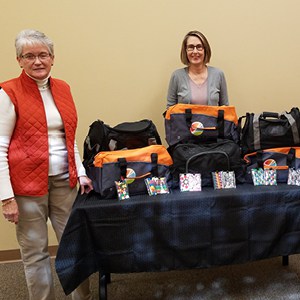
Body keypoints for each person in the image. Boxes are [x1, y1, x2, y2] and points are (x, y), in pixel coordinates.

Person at [0, 29, 94, 300]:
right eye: (29, 56)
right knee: (35, 252)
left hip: (66, 181)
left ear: (53, 58)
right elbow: (1, 146)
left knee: (73, 246)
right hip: (27, 187)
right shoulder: (9, 92)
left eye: (43, 55)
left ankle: (82, 298)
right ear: (19, 60)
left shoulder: (63, 88)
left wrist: (82, 172)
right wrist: (6, 196)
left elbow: (70, 137)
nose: (37, 61)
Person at [166, 30, 229, 108]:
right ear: (185, 51)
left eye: (199, 47)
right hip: (184, 121)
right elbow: (170, 110)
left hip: (212, 120)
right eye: (191, 47)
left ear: (205, 50)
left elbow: (226, 109)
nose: (195, 51)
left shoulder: (218, 74)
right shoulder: (177, 76)